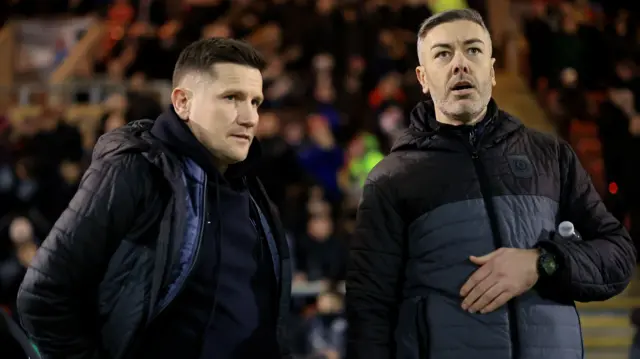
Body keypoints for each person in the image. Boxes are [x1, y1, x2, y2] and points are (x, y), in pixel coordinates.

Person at [346, 9, 636, 359]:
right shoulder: (391, 178)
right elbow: (369, 316)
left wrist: (542, 263)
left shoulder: (551, 155)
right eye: (443, 53)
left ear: (493, 70)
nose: (460, 64)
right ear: (423, 78)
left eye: (473, 50)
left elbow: (618, 255)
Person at [17, 38, 292, 359]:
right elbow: (44, 295)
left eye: (256, 102)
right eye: (232, 97)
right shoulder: (134, 172)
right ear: (182, 102)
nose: (249, 118)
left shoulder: (254, 193)